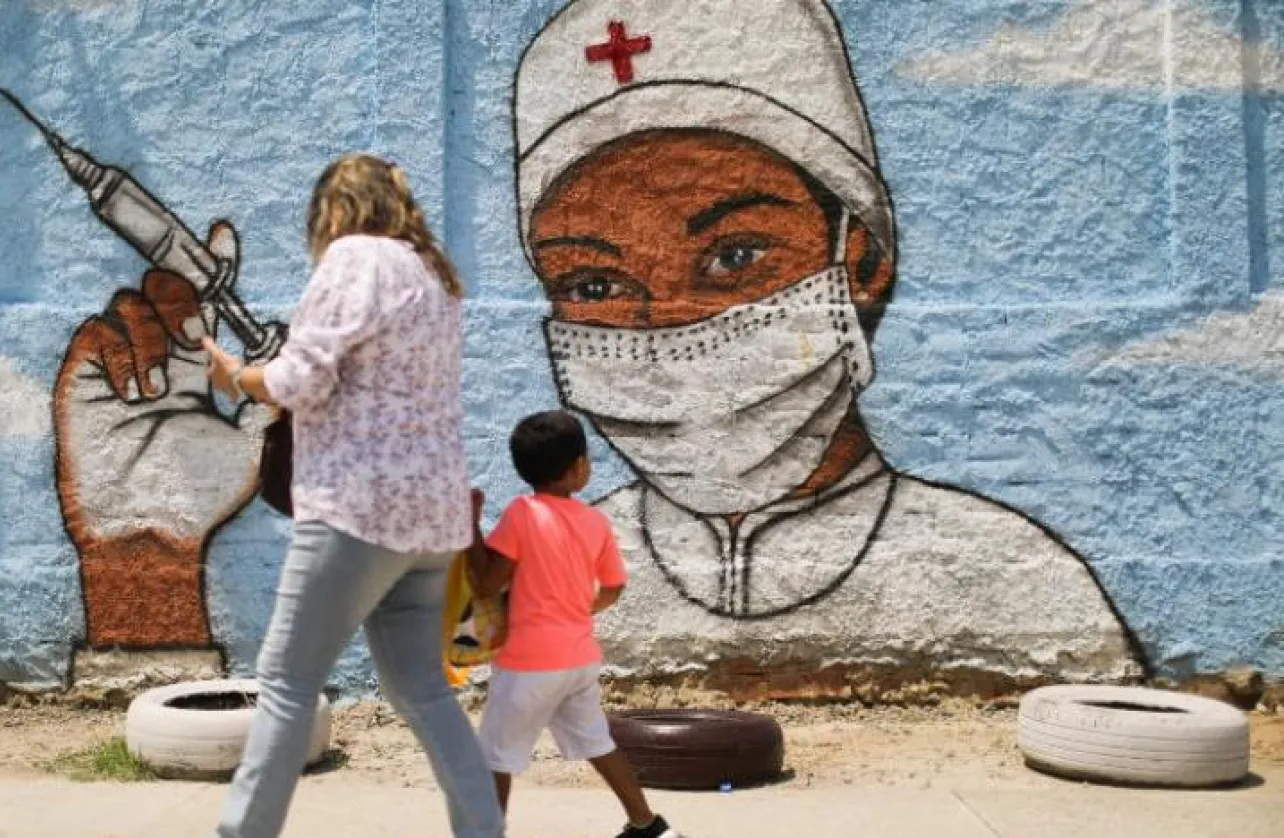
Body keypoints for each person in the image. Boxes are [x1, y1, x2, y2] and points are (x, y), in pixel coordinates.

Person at [511, 0, 1148, 688]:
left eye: (736, 256)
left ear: (861, 262)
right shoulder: (566, 575)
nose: (667, 326)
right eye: (595, 286)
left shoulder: (1012, 579)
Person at [199, 155, 504, 838]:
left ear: (334, 212)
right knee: (423, 689)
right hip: (431, 519)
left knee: (285, 683)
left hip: (356, 509)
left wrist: (239, 377)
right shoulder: (434, 274)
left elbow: (302, 381)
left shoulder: (353, 258)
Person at [467, 410, 681, 838]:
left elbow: (488, 583)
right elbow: (614, 587)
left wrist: (469, 526)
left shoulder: (522, 514)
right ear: (579, 468)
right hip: (579, 659)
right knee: (599, 743)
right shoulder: (595, 521)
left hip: (528, 664)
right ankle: (649, 826)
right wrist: (581, 610)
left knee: (494, 757)